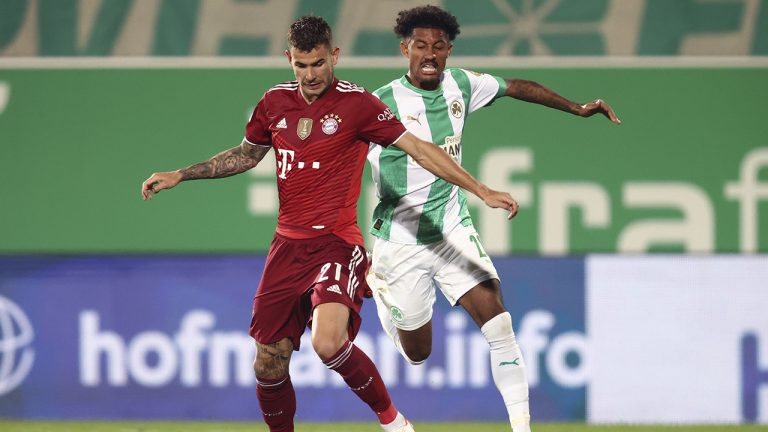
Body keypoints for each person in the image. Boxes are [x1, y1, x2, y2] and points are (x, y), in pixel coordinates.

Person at [141, 15, 518, 432]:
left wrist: (480, 190)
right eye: (301, 65)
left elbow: (421, 150)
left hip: (338, 243)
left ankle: (394, 423)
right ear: (289, 60)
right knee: (268, 363)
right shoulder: (273, 104)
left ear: (333, 56)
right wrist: (182, 173)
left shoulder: (359, 105)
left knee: (327, 342)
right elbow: (246, 155)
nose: (310, 74)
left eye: (318, 64)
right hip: (287, 247)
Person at [365, 5, 621, 432]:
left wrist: (574, 107)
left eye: (439, 46)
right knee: (417, 353)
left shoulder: (461, 84)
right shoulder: (379, 103)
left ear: (448, 50)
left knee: (497, 318)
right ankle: (382, 291)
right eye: (421, 46)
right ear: (404, 48)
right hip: (400, 241)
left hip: (451, 229)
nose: (430, 54)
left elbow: (517, 87)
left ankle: (522, 427)